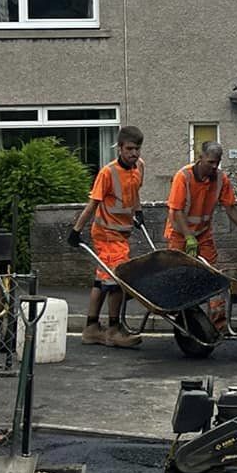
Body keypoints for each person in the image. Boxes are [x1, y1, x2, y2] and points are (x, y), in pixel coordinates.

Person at [67, 127, 147, 347]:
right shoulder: (108, 173)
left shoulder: (139, 167)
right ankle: (113, 330)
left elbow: (134, 193)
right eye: (129, 149)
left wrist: (138, 212)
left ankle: (91, 328)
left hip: (122, 233)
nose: (134, 153)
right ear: (119, 148)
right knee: (117, 281)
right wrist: (76, 230)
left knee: (101, 280)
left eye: (137, 149)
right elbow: (93, 204)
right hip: (106, 234)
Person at [165, 140, 237, 322]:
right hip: (180, 233)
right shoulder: (183, 177)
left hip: (203, 233)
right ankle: (183, 315)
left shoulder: (220, 179)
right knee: (180, 274)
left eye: (217, 162)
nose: (214, 166)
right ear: (200, 159)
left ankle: (218, 321)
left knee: (212, 274)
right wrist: (188, 237)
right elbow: (175, 211)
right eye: (210, 162)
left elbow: (230, 208)